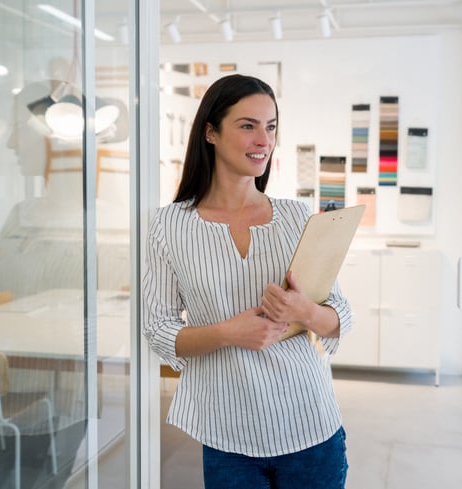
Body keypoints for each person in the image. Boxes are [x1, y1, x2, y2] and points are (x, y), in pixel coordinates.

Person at [142, 74, 352, 488]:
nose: (263, 140)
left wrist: (304, 311)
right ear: (210, 133)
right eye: (247, 126)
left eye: (271, 127)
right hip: (227, 434)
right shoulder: (168, 225)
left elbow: (339, 318)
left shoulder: (297, 216)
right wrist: (226, 333)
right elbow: (158, 329)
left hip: (311, 425)